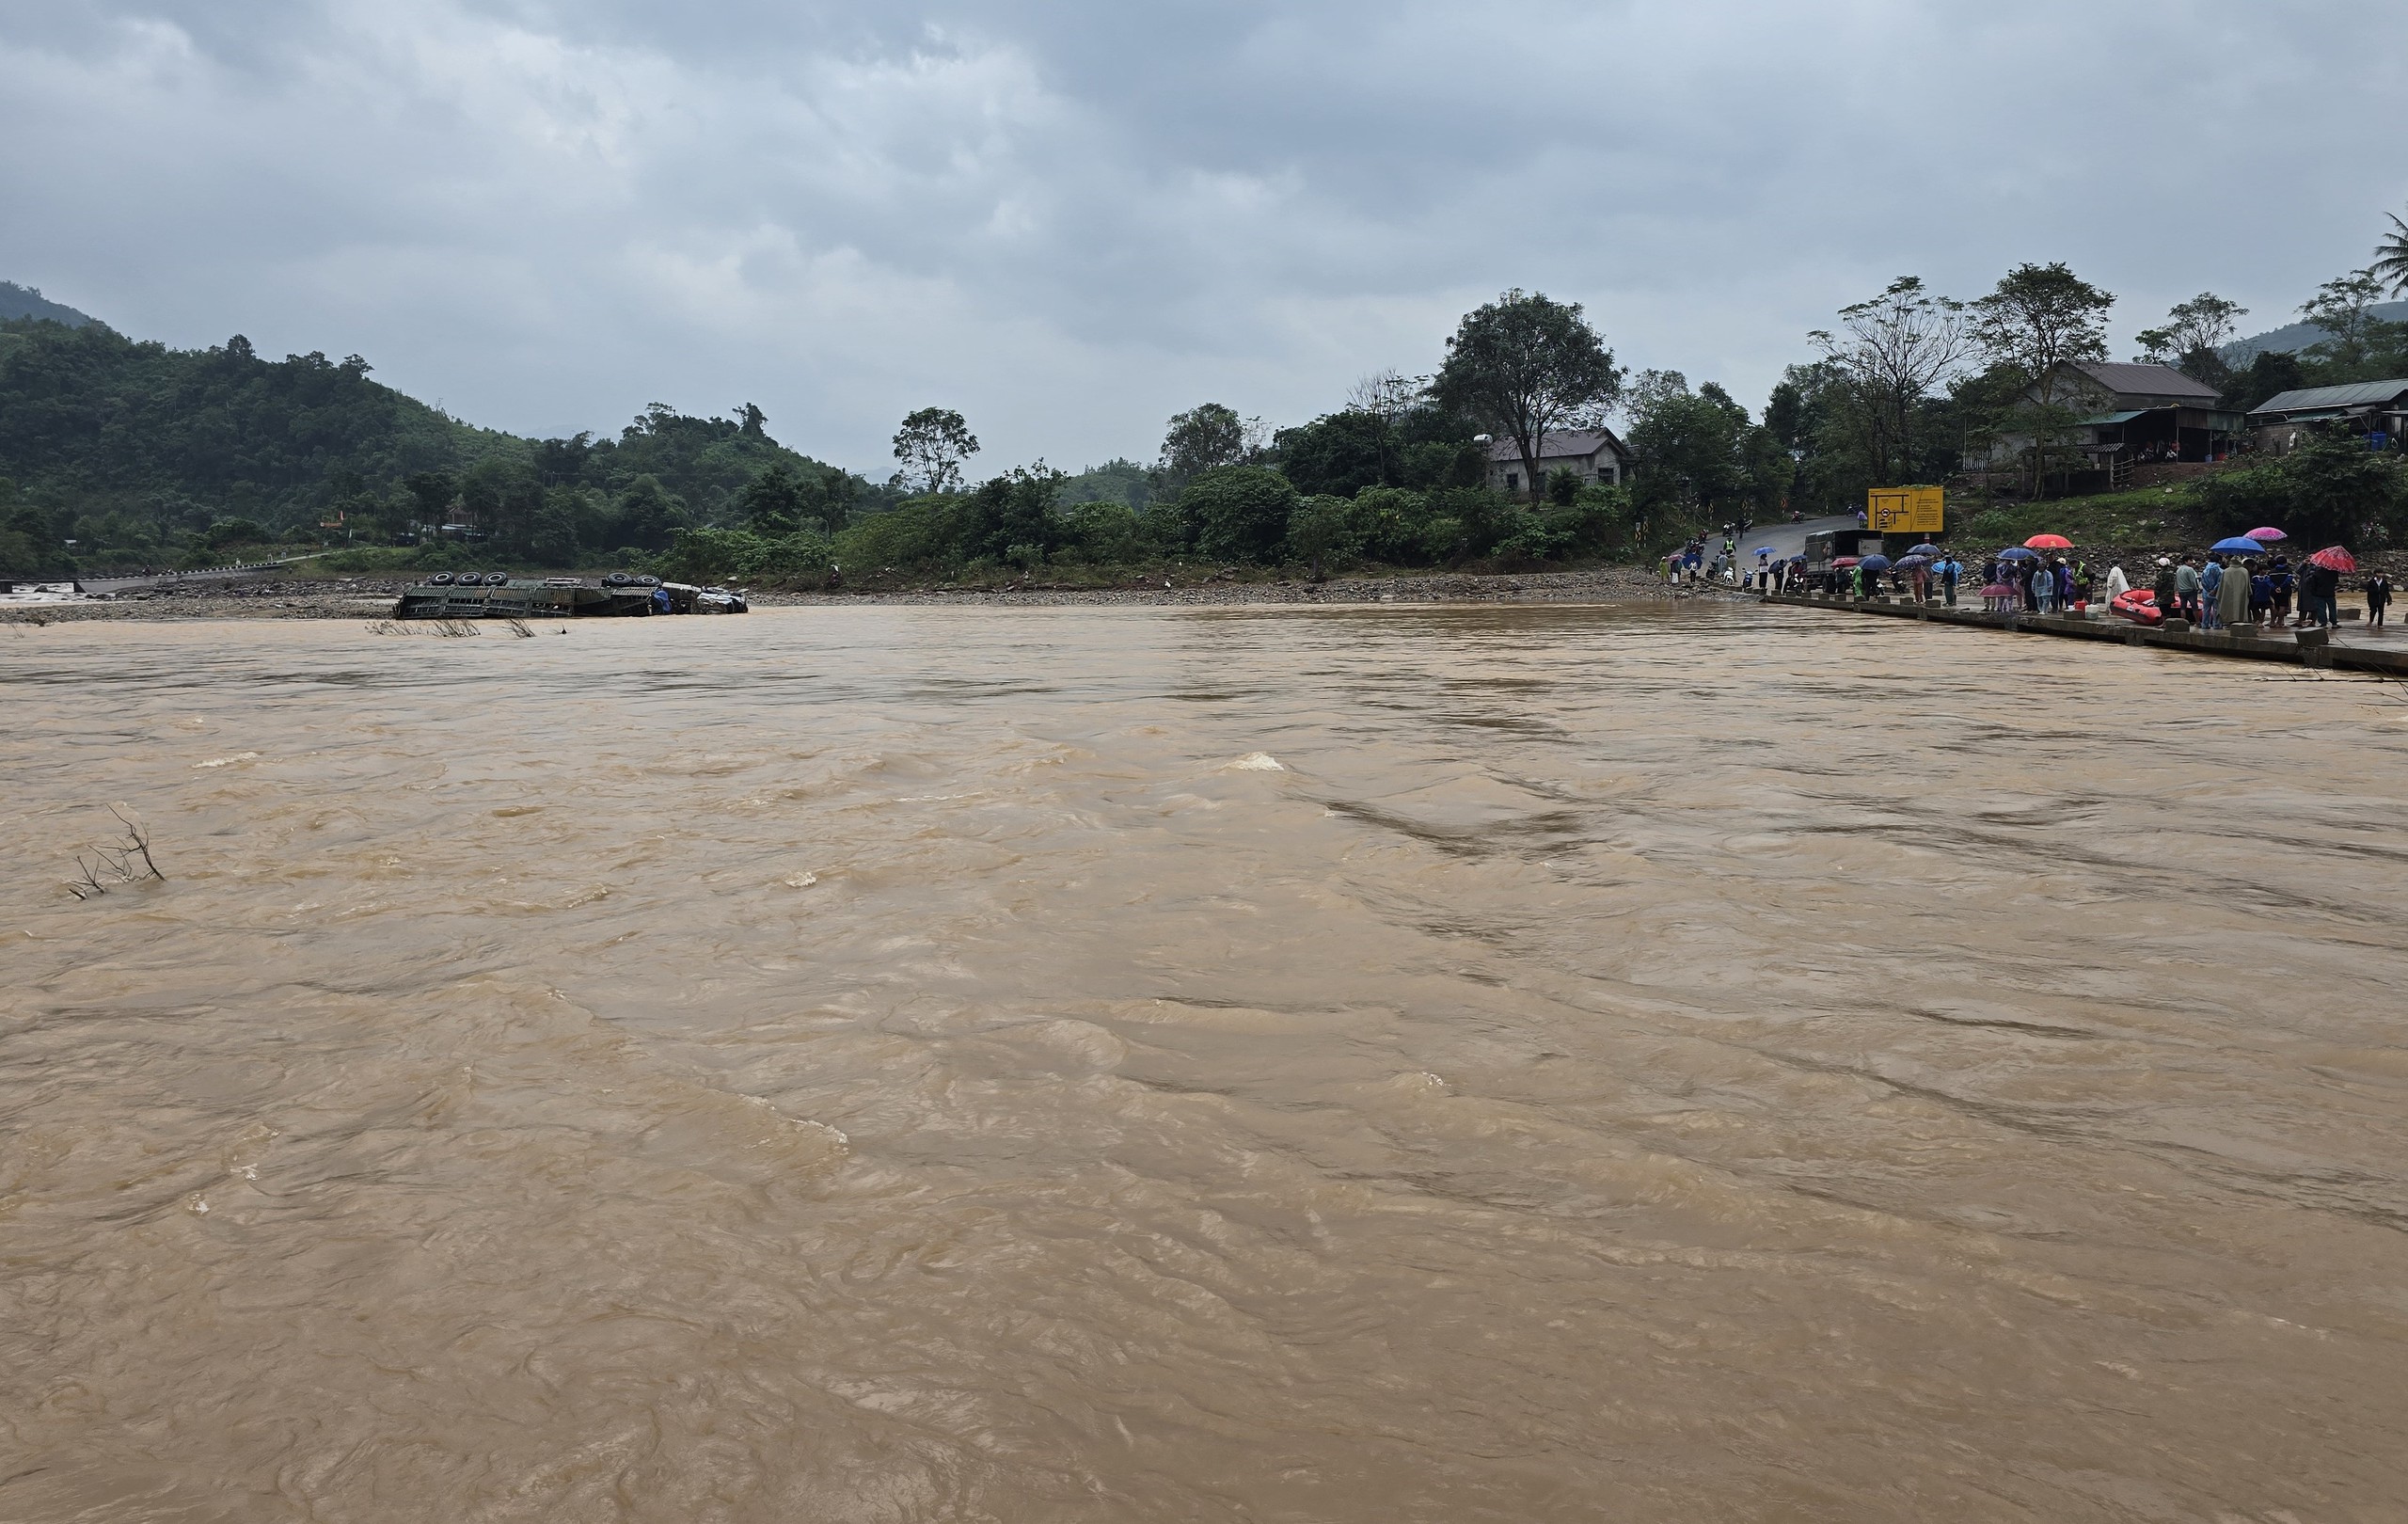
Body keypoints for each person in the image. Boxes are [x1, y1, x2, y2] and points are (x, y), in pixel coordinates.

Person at [2219, 551, 2253, 629]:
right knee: (2240, 607)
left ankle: (2230, 622)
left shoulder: (2226, 571)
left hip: (2229, 593)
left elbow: (2222, 585)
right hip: (2241, 593)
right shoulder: (2244, 571)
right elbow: (2248, 583)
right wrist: (2249, 591)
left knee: (2230, 607)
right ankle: (2240, 621)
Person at [2199, 554, 2225, 630]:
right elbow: (2220, 582)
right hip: (2217, 593)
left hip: (2206, 592)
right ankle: (2216, 625)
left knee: (2206, 609)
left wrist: (2208, 589)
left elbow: (2202, 581)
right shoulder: (2220, 570)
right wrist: (2214, 589)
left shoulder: (2205, 570)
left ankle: (2205, 624)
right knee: (2216, 609)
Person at [2175, 558, 2201, 623]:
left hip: (2182, 591)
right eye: (2190, 560)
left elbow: (2176, 581)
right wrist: (2196, 588)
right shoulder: (2189, 570)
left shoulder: (2178, 570)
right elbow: (2193, 580)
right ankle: (2197, 622)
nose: (2192, 562)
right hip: (2190, 591)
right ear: (2186, 561)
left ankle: (2183, 623)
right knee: (2194, 607)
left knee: (2183, 607)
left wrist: (2177, 589)